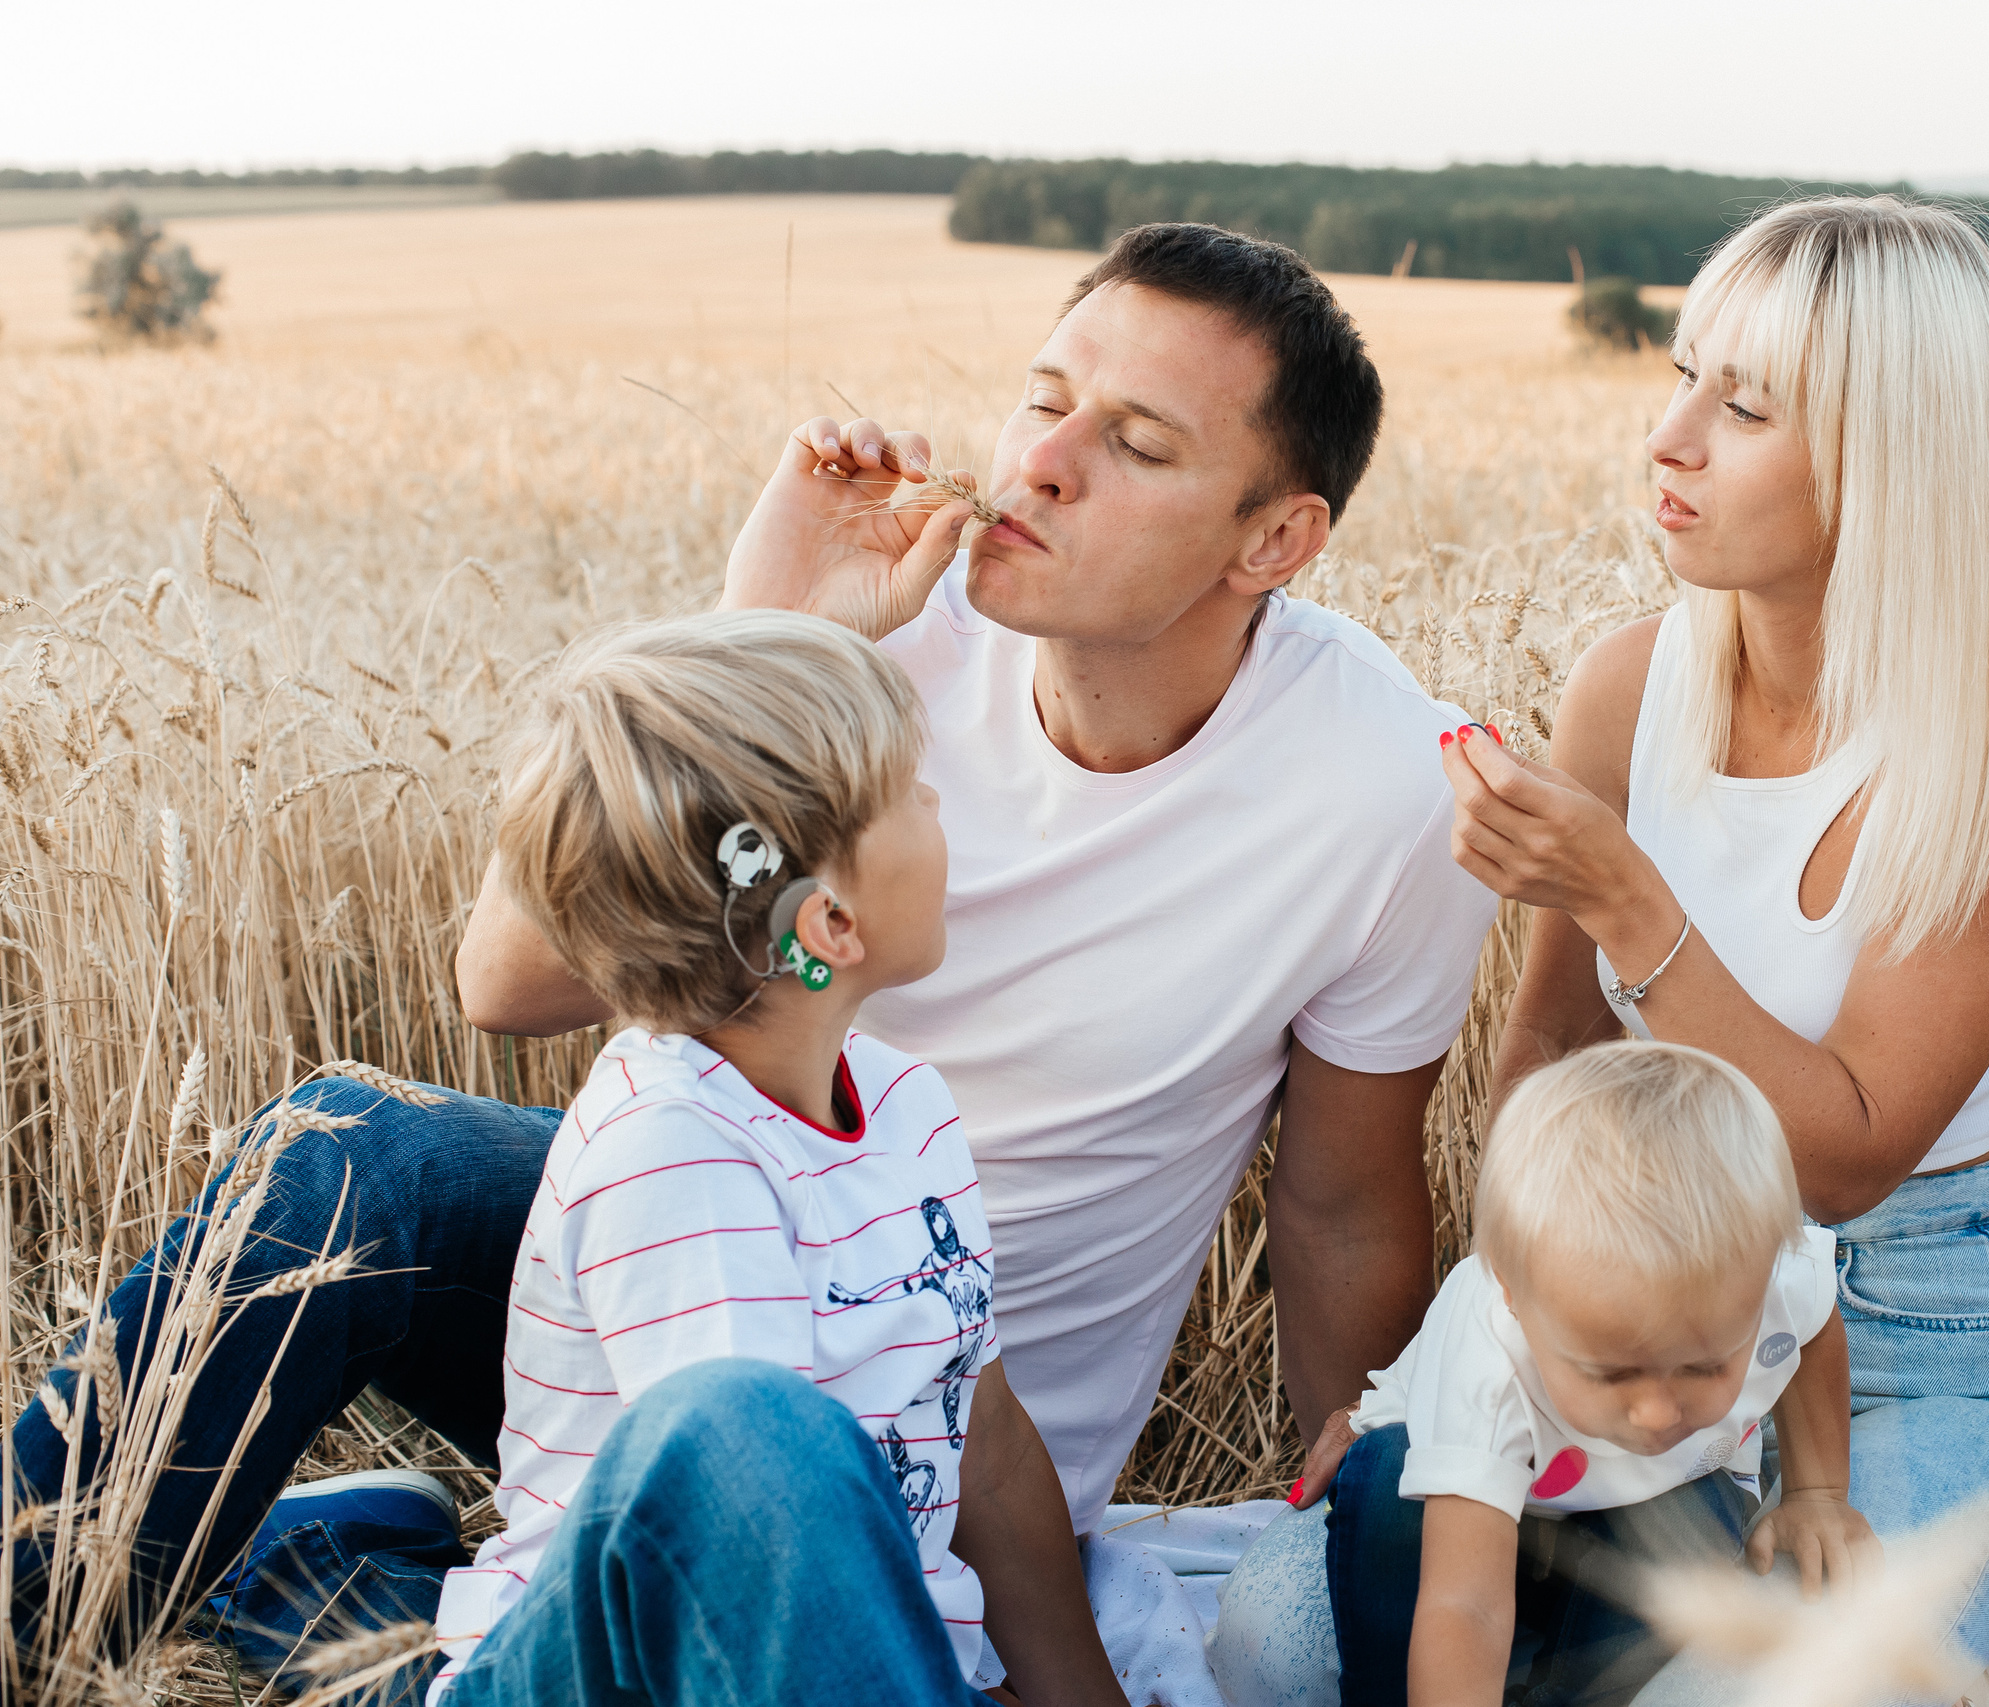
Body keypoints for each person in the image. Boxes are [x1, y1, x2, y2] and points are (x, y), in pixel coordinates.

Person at [12, 223, 1496, 1681]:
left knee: (751, 1455)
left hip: (955, 1421)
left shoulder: (1380, 782)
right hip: (683, 1279)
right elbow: (510, 982)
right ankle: (36, 1601)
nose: (1043, 460)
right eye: (1045, 397)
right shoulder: (880, 634)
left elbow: (1342, 1198)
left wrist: (1337, 1513)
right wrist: (763, 624)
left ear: (1276, 537)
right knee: (347, 1155)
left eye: (1139, 444)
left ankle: (337, 1581)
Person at [1222, 195, 1989, 1707]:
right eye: (1682, 374)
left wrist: (1636, 904)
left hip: (1904, 1337)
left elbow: (1839, 1164)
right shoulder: (1632, 684)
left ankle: (1959, 1654)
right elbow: (1550, 1060)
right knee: (1280, 1642)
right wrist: (1483, 1345)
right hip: (1618, 1316)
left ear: (1890, 459)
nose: (1670, 436)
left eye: (1741, 404)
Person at [430, 611, 1118, 1705]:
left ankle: (340, 1550)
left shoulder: (904, 1104)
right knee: (751, 1429)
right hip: (632, 1675)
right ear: (831, 924)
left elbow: (976, 1436)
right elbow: (740, 1541)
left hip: (846, 1657)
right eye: (908, 794)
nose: (936, 804)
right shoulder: (670, 1155)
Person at [1323, 1042, 1871, 1707]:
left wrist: (1817, 1492)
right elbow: (1465, 1604)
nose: (1656, 1411)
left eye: (1702, 1365)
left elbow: (1812, 1326)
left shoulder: (1769, 1277)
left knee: (1681, 1571)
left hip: (1670, 1484)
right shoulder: (1490, 1363)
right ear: (1516, 1298)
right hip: (1466, 1497)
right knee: (1390, 1495)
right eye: (1613, 1373)